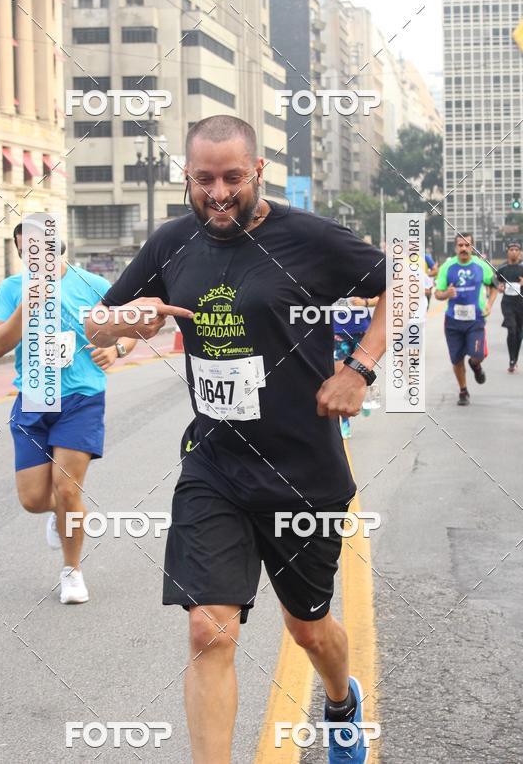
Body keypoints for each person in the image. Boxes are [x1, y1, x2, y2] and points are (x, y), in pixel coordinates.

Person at [87, 115, 387, 764]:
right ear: (186, 178)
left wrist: (358, 369)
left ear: (257, 170)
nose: (217, 193)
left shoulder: (310, 239)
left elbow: (401, 285)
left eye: (231, 177)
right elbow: (99, 325)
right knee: (207, 629)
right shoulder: (171, 244)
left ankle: (340, 701)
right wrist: (122, 321)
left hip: (302, 474)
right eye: (203, 180)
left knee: (308, 629)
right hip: (214, 465)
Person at [0, 224, 135, 604]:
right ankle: (61, 514)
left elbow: (132, 325)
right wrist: (27, 304)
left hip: (81, 398)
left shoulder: (93, 285)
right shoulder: (11, 289)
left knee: (68, 489)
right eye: (25, 252)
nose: (33, 258)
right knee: (34, 499)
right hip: (34, 397)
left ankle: (72, 571)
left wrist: (118, 348)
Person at [434, 233, 497, 406]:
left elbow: (495, 287)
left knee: (477, 354)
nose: (463, 248)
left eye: (467, 245)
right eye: (460, 245)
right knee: (456, 359)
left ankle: (475, 365)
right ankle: (463, 391)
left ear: (472, 247)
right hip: (453, 322)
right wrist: (446, 293)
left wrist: (489, 305)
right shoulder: (447, 267)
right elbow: (437, 293)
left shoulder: (481, 266)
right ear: (455, 248)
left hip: (475, 320)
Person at [333, 296, 379, 438]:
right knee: (340, 380)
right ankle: (345, 421)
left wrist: (364, 302)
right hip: (338, 334)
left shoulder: (361, 275)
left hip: (362, 332)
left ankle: (365, 399)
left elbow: (381, 298)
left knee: (362, 373)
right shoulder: (327, 275)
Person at [494, 240, 523, 372]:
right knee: (512, 329)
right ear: (507, 252)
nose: (514, 252)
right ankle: (511, 359)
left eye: (516, 250)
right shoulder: (502, 268)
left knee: (519, 334)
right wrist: (498, 286)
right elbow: (494, 280)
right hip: (507, 304)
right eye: (511, 249)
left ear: (520, 252)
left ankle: (514, 358)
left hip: (521, 304)